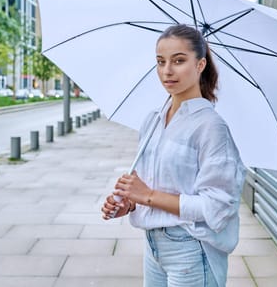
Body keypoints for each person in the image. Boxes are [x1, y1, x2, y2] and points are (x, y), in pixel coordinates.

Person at [101, 24, 246, 287]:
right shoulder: (153, 120)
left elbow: (218, 206)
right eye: (160, 61)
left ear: (200, 64)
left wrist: (147, 195)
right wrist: (130, 203)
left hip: (192, 250)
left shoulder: (211, 127)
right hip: (153, 247)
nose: (167, 70)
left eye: (178, 61)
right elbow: (153, 184)